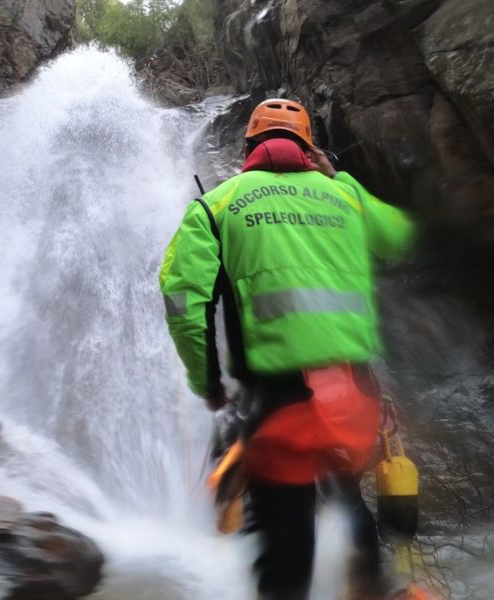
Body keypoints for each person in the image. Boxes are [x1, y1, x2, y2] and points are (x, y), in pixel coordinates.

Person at [159, 98, 414, 599]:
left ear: (248, 146)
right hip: (354, 395)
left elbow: (183, 305)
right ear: (309, 147)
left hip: (280, 398)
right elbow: (398, 238)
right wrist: (339, 178)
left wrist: (207, 383)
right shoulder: (345, 197)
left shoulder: (216, 206)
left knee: (285, 534)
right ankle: (371, 584)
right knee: (347, 497)